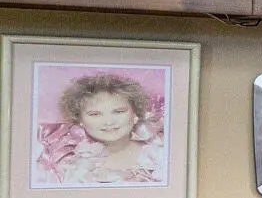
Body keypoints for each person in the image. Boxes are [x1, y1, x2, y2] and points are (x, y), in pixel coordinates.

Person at [36, 70, 165, 186]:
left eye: (118, 112)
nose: (108, 122)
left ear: (135, 114)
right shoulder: (67, 163)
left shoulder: (161, 153)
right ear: (80, 120)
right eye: (95, 114)